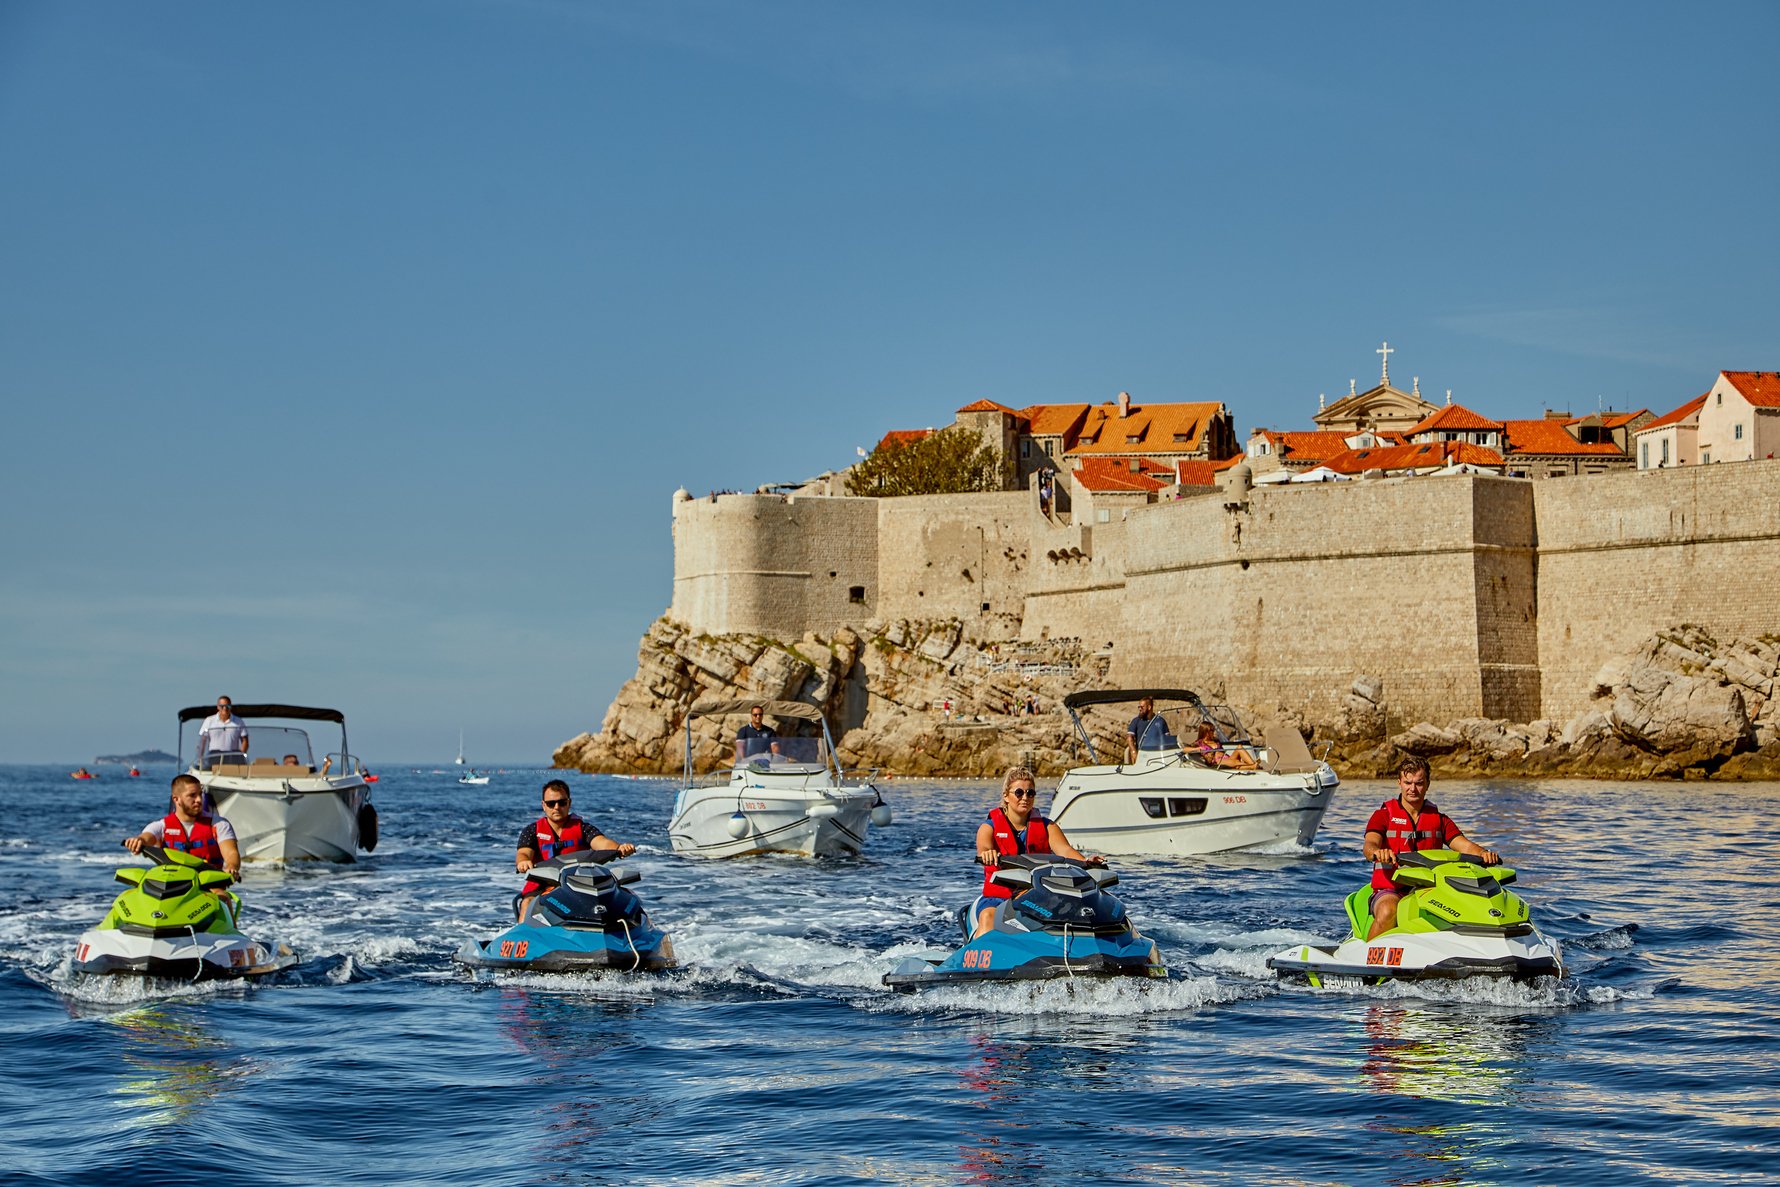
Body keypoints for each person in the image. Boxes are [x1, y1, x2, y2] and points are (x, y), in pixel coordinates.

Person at [1361, 757, 1499, 940]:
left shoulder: (1439, 820)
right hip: (1391, 889)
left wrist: (1483, 854)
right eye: (1408, 783)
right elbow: (1369, 845)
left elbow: (1464, 845)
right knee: (1388, 911)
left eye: (1419, 783)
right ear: (1399, 783)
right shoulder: (1383, 815)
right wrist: (1378, 852)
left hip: (1430, 889)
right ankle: (1367, 958)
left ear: (1427, 784)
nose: (1412, 789)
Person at [971, 766, 1102, 938]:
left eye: (1030, 793)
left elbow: (1065, 850)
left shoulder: (1048, 827)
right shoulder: (989, 827)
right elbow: (984, 849)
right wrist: (988, 854)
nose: (1025, 798)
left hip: (1039, 896)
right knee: (988, 917)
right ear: (1006, 796)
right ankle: (979, 960)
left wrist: (1086, 862)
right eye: (1019, 792)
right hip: (999, 897)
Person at [514, 780, 635, 919]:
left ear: (569, 803)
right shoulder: (532, 831)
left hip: (579, 885)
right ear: (543, 805)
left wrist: (619, 848)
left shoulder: (583, 828)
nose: (557, 807)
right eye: (551, 803)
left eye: (562, 802)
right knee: (527, 902)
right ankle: (525, 938)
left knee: (627, 897)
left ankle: (635, 934)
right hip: (543, 885)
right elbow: (523, 852)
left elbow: (602, 843)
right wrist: (523, 862)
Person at [124, 773, 242, 882]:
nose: (199, 800)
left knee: (222, 896)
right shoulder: (161, 826)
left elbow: (231, 853)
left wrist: (231, 867)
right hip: (172, 885)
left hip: (209, 885)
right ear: (176, 799)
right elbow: (146, 838)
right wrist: (138, 841)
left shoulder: (219, 824)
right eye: (192, 795)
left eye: (200, 794)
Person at [197, 696, 249, 765]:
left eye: (227, 706)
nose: (225, 708)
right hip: (214, 757)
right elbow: (202, 741)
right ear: (218, 707)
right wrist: (200, 759)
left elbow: (245, 740)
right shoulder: (209, 721)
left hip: (232, 758)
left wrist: (241, 756)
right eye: (222, 706)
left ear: (231, 707)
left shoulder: (239, 721)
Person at [1192, 721, 1258, 769]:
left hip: (1227, 757)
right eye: (1212, 730)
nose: (1214, 732)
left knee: (1239, 747)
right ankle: (1253, 765)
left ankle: (1252, 764)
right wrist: (1196, 749)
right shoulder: (1199, 743)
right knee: (1235, 762)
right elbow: (1186, 749)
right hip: (1217, 761)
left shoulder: (1216, 740)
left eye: (1213, 730)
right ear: (1206, 732)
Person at [1125, 696, 1165, 762]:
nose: (1140, 709)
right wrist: (1133, 752)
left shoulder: (1160, 721)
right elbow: (1129, 738)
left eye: (1142, 707)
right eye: (1139, 707)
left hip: (1157, 755)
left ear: (1149, 707)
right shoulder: (1136, 721)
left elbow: (1166, 738)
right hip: (1141, 754)